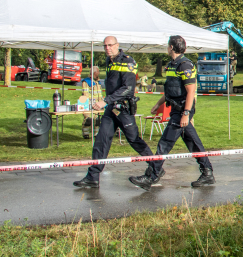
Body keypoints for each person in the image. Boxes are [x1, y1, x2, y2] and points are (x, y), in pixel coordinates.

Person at [129, 35, 215, 190]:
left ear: (171, 47)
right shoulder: (172, 65)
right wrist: (158, 103)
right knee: (192, 142)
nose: (166, 48)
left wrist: (186, 113)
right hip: (176, 108)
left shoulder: (184, 65)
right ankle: (207, 173)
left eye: (167, 45)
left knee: (165, 143)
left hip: (182, 109)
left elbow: (190, 91)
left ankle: (152, 176)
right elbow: (170, 90)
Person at [73, 37, 157, 189]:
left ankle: (156, 168)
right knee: (101, 141)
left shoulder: (128, 61)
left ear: (117, 45)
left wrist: (105, 100)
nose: (107, 48)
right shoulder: (109, 61)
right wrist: (107, 102)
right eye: (105, 46)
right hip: (111, 109)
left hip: (123, 109)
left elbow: (127, 88)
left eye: (110, 45)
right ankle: (93, 177)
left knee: (134, 141)